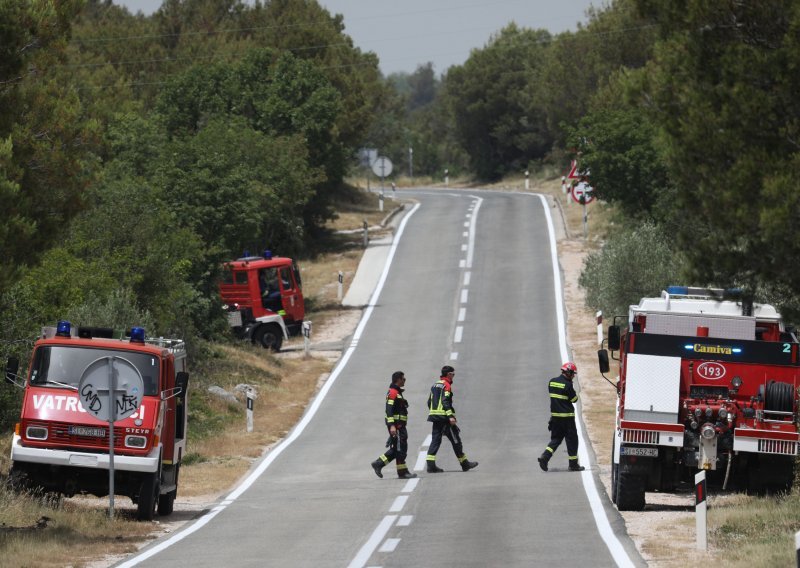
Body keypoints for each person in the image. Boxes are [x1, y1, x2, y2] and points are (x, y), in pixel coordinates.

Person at [425, 366, 478, 473]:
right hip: (444, 418)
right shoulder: (446, 385)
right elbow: (445, 402)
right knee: (456, 440)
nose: (453, 376)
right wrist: (450, 416)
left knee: (435, 440)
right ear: (448, 374)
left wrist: (434, 412)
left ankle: (430, 465)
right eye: (453, 374)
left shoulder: (435, 385)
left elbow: (429, 402)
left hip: (435, 417)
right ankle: (464, 464)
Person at [538, 362, 585, 472]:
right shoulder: (568, 385)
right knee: (572, 441)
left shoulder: (552, 382)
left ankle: (545, 457)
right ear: (568, 372)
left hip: (555, 418)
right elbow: (574, 400)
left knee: (555, 440)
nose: (573, 376)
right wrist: (573, 388)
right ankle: (573, 464)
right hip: (567, 419)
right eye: (573, 374)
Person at [371, 371, 417, 479]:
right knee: (401, 448)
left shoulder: (396, 392)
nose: (405, 380)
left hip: (399, 425)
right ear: (398, 380)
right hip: (397, 426)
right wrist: (392, 425)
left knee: (397, 448)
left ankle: (379, 463)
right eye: (403, 379)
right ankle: (402, 472)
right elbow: (389, 409)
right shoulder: (393, 392)